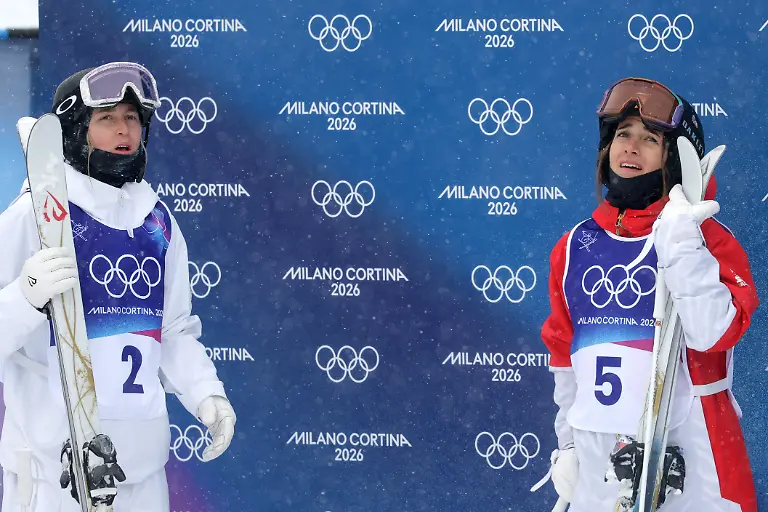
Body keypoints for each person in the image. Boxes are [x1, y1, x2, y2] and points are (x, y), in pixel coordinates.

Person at [0, 62, 236, 511]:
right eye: (106, 118)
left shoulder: (159, 223)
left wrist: (208, 395)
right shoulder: (35, 216)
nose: (124, 129)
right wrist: (24, 297)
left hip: (141, 470)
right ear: (75, 129)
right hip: (53, 475)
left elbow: (172, 332)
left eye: (132, 117)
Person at [541, 77, 759, 511]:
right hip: (600, 464)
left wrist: (680, 243)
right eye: (622, 134)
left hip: (693, 462)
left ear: (676, 160)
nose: (631, 147)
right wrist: (567, 444)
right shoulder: (573, 246)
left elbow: (712, 335)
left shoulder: (708, 240)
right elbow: (565, 359)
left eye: (650, 139)